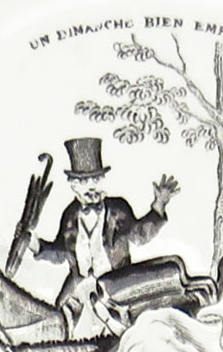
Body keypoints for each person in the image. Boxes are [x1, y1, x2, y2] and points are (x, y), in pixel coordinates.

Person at [31, 137, 179, 334]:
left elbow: (139, 235)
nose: (91, 186)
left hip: (115, 287)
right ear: (74, 185)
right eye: (84, 181)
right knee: (60, 326)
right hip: (78, 289)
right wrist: (37, 246)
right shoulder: (70, 215)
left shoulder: (118, 209)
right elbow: (61, 252)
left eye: (95, 180)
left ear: (102, 181)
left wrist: (159, 205)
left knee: (118, 330)